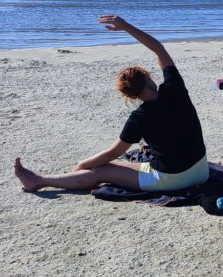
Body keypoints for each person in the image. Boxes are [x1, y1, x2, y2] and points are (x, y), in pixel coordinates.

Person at [14, 16, 208, 193]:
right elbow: (158, 48)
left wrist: (84, 163)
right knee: (123, 166)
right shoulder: (174, 88)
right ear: (148, 77)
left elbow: (114, 152)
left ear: (130, 95)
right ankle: (43, 179)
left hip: (173, 179)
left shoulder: (140, 116)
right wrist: (125, 26)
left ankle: (39, 181)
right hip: (201, 170)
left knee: (101, 171)